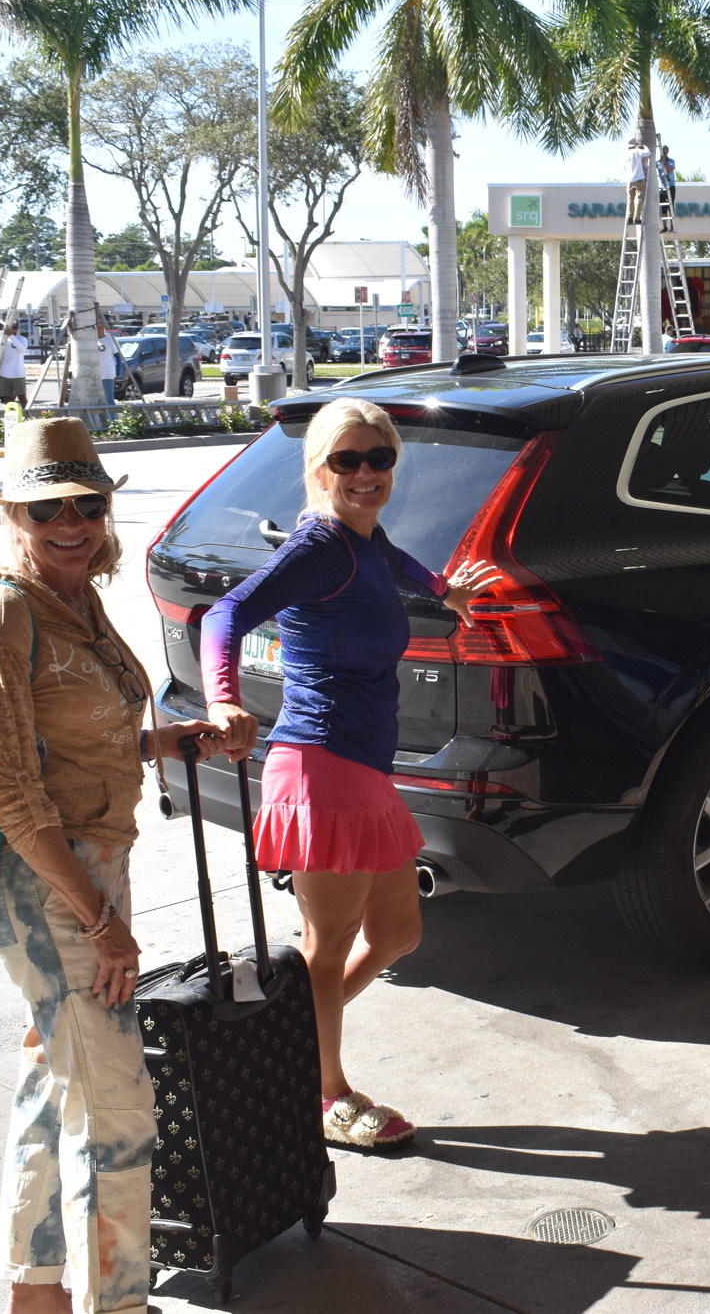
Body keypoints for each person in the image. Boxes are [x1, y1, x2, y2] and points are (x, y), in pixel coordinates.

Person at [0, 417, 223, 1314]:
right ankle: (120, 1303)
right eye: (45, 509)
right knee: (117, 1109)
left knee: (55, 1083)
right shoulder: (3, 609)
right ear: (13, 517)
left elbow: (73, 740)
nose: (70, 522)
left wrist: (163, 739)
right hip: (46, 881)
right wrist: (102, 922)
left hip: (93, 867)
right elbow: (11, 788)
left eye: (86, 504)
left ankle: (37, 1298)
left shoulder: (78, 599)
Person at [201, 399, 499, 1150]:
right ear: (319, 468)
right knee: (325, 945)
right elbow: (225, 614)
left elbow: (398, 565)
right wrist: (224, 700)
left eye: (379, 459)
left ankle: (289, 1039)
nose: (366, 474)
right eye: (347, 460)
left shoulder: (366, 540)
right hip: (320, 763)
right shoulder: (321, 548)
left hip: (364, 768)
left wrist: (446, 592)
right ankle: (325, 1092)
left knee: (397, 931)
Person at [0, 322, 30, 406]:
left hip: (18, 373)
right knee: (7, 398)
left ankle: (27, 415)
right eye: (11, 327)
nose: (13, 329)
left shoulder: (21, 339)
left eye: (15, 327)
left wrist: (11, 336)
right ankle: (11, 416)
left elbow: (22, 348)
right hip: (4, 373)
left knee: (22, 397)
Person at [624, 136, 651, 224]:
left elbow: (624, 167)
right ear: (635, 145)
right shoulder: (636, 151)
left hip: (629, 180)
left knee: (630, 200)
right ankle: (637, 218)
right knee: (639, 199)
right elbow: (648, 153)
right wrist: (645, 146)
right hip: (639, 178)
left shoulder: (625, 155)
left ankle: (629, 217)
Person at [658, 143, 678, 230]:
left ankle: (672, 225)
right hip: (662, 187)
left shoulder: (671, 161)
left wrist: (664, 162)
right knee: (663, 208)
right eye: (663, 150)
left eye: (665, 150)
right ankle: (665, 226)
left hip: (671, 187)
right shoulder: (658, 163)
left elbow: (670, 170)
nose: (664, 152)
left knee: (671, 205)